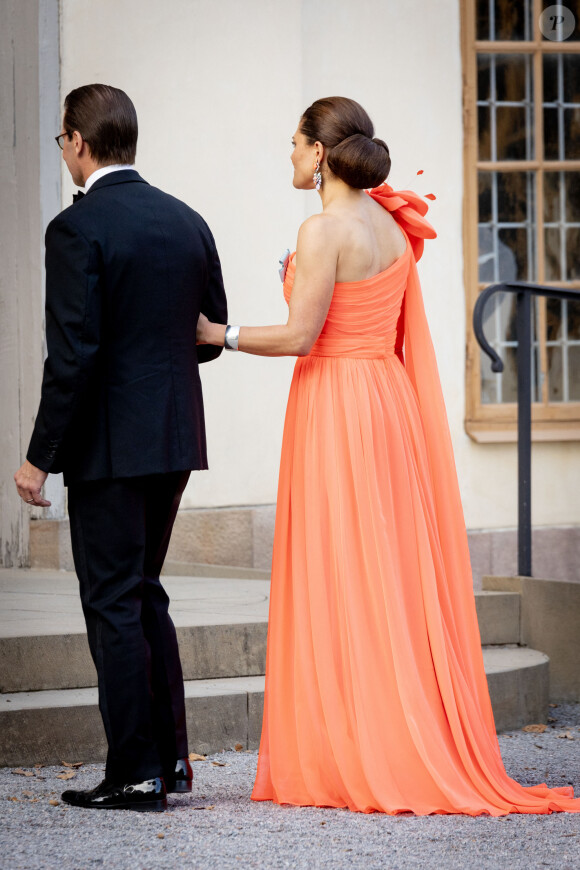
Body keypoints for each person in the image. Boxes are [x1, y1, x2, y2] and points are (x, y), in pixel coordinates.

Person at [197, 96, 580, 815]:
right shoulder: (395, 230)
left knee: (340, 570)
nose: (289, 154)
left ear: (319, 154)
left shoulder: (323, 228)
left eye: (294, 141)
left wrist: (222, 333)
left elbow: (302, 336)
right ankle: (386, 731)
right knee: (384, 575)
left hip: (336, 403)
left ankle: (355, 745)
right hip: (387, 402)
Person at [14, 84, 227, 812]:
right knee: (144, 595)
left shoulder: (77, 229)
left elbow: (71, 356)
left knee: (111, 601)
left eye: (61, 141)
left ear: (77, 141)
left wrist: (39, 455)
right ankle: (167, 763)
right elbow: (210, 332)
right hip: (173, 438)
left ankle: (135, 774)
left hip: (110, 446)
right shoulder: (187, 220)